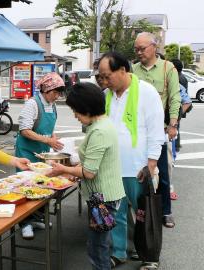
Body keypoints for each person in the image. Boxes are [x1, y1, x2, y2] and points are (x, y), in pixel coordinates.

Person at [98, 52, 165, 270]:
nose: (105, 82)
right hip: (113, 168)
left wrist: (152, 163)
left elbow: (156, 131)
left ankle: (150, 257)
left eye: (107, 76)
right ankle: (119, 252)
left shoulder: (146, 92)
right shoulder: (107, 95)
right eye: (102, 77)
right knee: (116, 214)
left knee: (144, 215)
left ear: (122, 70)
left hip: (138, 168)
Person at [48, 82, 125, 270]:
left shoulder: (99, 131)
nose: (74, 115)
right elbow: (93, 162)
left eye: (76, 110)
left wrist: (64, 170)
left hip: (102, 199)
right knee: (98, 244)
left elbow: (90, 172)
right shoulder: (101, 124)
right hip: (103, 195)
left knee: (97, 247)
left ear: (88, 109)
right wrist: (76, 172)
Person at [132, 32, 181, 229]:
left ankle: (166, 211)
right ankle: (142, 211)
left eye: (142, 49)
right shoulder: (133, 69)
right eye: (136, 49)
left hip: (159, 130)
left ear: (154, 47)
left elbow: (175, 97)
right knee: (139, 171)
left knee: (162, 173)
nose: (139, 52)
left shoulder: (167, 68)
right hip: (137, 130)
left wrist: (173, 124)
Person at [15, 72, 65, 239]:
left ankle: (35, 219)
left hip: (42, 155)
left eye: (59, 93)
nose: (57, 96)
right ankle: (24, 224)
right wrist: (47, 140)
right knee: (25, 187)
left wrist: (53, 139)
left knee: (41, 187)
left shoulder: (53, 105)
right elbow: (25, 130)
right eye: (55, 92)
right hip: (27, 153)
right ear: (45, 89)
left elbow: (49, 130)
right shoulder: (33, 104)